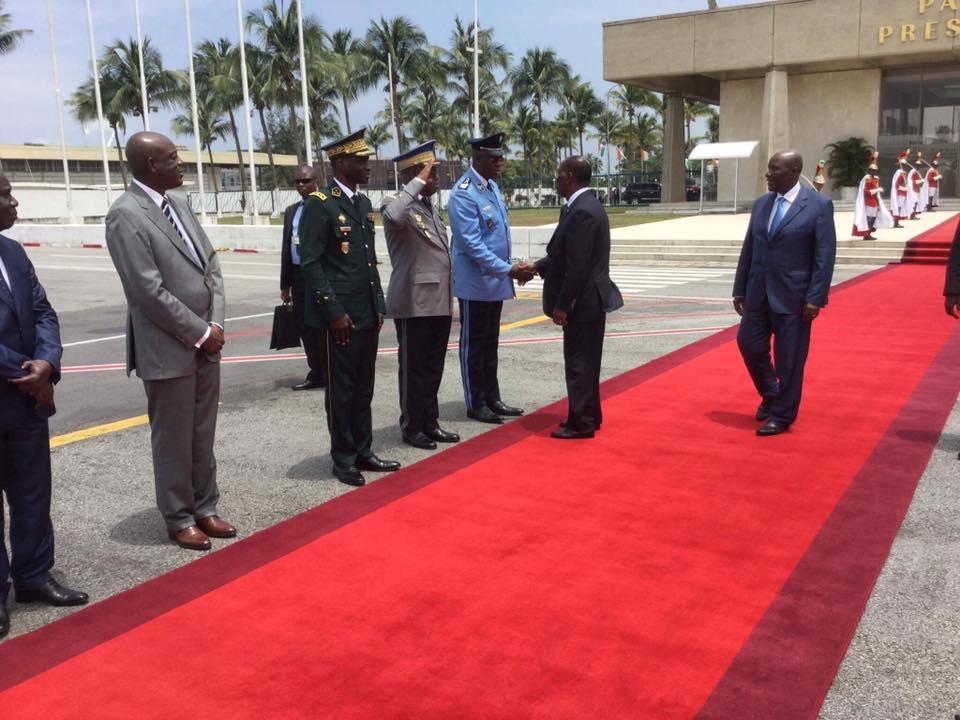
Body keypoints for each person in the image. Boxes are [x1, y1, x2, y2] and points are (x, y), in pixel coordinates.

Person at [105, 132, 236, 551]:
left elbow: (209, 265)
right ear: (149, 165)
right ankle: (179, 516)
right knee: (173, 437)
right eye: (172, 158)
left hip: (204, 342)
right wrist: (199, 332)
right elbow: (147, 292)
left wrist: (214, 325)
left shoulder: (178, 204)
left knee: (202, 431)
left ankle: (205, 505)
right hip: (168, 346)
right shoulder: (126, 215)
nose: (181, 164)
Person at [0, 175, 88, 637]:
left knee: (33, 493)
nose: (13, 201)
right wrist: (25, 371)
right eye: (3, 193)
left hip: (30, 397)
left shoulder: (12, 251)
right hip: (15, 385)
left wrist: (48, 364)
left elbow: (41, 311)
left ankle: (33, 576)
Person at [299, 129, 400, 487]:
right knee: (342, 389)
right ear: (341, 162)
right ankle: (343, 459)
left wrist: (378, 304)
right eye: (361, 160)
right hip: (339, 317)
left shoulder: (361, 204)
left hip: (365, 312)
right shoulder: (319, 203)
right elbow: (311, 264)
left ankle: (363, 450)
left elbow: (367, 262)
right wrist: (334, 312)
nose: (367, 165)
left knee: (363, 387)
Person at [733, 150, 836, 436]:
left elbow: (824, 256)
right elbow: (749, 249)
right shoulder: (762, 205)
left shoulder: (818, 205)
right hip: (757, 293)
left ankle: (782, 415)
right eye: (769, 169)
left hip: (794, 298)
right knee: (748, 344)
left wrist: (816, 298)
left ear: (793, 171)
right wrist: (740, 287)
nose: (768, 174)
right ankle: (770, 392)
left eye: (774, 169)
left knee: (789, 359)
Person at [533, 157, 623, 439]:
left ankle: (581, 423)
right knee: (587, 361)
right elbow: (562, 257)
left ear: (570, 176)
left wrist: (563, 305)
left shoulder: (582, 211)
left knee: (579, 363)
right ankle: (587, 414)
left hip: (583, 302)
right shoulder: (582, 207)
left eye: (559, 174)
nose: (556, 179)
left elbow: (578, 266)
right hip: (589, 300)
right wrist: (537, 267)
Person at [448, 132, 535, 424]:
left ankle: (492, 397)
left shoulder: (492, 188)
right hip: (476, 283)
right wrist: (509, 269)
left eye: (502, 156)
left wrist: (511, 267)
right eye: (494, 157)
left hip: (496, 279)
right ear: (478, 158)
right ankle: (475, 402)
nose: (500, 162)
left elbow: (499, 237)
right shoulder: (464, 192)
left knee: (490, 343)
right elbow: (472, 245)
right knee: (473, 345)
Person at [382, 140, 459, 451]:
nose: (436, 178)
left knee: (433, 366)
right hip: (414, 302)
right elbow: (394, 217)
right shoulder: (396, 203)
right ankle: (412, 426)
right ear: (413, 174)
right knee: (414, 368)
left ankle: (430, 421)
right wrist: (416, 182)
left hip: (440, 299)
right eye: (431, 172)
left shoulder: (428, 207)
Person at [280, 165, 327, 391]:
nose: (301, 185)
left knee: (323, 326)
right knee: (305, 327)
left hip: (320, 274)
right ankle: (316, 372)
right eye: (297, 181)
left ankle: (330, 372)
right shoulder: (292, 211)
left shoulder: (325, 206)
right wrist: (285, 284)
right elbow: (286, 249)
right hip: (299, 276)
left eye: (306, 181)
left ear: (316, 181)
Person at [852, 152, 893, 241]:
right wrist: (877, 190)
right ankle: (866, 235)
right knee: (869, 219)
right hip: (868, 202)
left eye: (875, 170)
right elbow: (866, 192)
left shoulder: (875, 179)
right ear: (869, 170)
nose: (874, 172)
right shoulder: (867, 178)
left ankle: (869, 233)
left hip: (874, 202)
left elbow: (876, 194)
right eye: (872, 170)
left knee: (873, 219)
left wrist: (878, 204)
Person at [890, 151, 909, 228]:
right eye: (904, 164)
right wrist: (904, 188)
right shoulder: (899, 172)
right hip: (900, 192)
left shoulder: (904, 172)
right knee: (897, 207)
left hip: (903, 192)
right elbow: (896, 184)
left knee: (900, 207)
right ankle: (896, 222)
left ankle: (897, 222)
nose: (905, 166)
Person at [908, 153, 924, 220]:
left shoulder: (917, 172)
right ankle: (912, 215)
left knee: (916, 202)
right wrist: (921, 181)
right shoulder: (913, 172)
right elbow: (913, 181)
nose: (919, 167)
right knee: (914, 202)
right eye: (918, 165)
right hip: (914, 189)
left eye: (920, 165)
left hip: (917, 189)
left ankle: (913, 214)